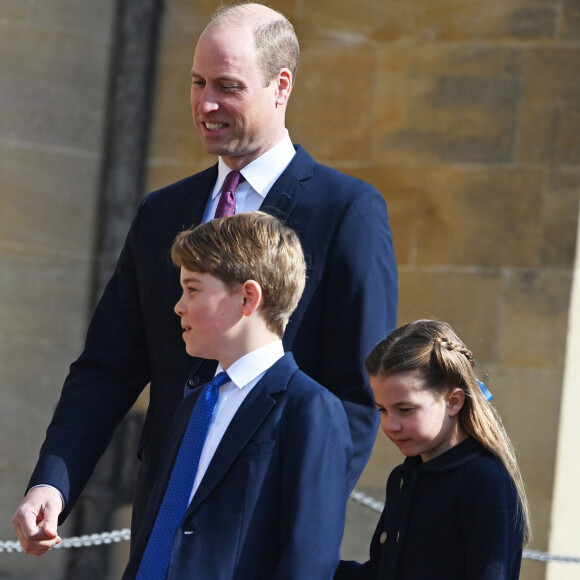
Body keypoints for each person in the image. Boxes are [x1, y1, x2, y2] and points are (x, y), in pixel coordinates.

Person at [12, 1, 397, 556]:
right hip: (160, 527)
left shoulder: (346, 212)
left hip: (260, 537)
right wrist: (52, 480)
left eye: (227, 86)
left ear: (280, 85)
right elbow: (106, 368)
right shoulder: (162, 212)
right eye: (197, 82)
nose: (206, 104)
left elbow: (358, 398)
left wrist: (295, 519)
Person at [120, 211, 352, 579]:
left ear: (248, 297)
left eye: (192, 289)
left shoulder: (310, 408)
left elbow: (308, 556)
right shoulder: (196, 404)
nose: (178, 305)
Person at [335, 320, 531, 580]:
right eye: (382, 410)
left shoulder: (485, 482)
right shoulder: (403, 478)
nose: (390, 425)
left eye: (405, 410)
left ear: (453, 402)